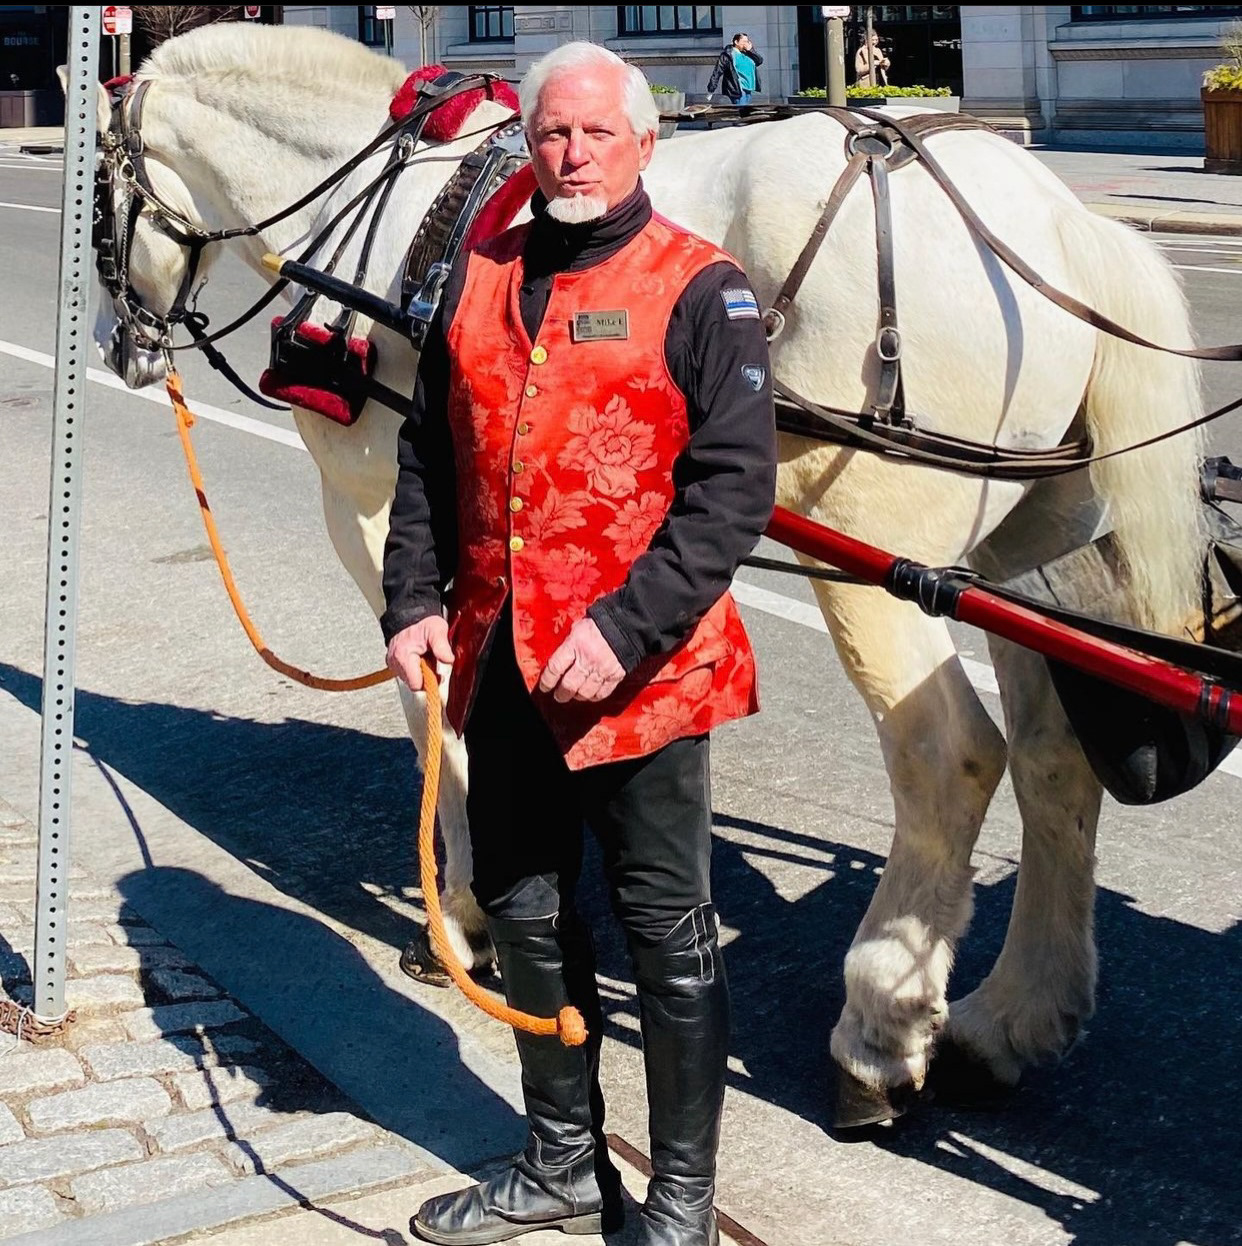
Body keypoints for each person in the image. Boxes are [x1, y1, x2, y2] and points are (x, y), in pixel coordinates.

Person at [381, 39, 776, 1246]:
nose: (573, 153)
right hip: (501, 664)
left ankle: (682, 1202)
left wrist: (623, 627)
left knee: (666, 935)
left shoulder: (702, 288)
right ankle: (559, 1161)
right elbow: (427, 450)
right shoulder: (482, 275)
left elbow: (733, 491)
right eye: (554, 132)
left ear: (645, 144)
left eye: (598, 132)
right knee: (524, 909)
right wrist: (412, 600)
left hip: (641, 683)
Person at [706, 31, 763, 106]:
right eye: (744, 41)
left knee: (746, 111)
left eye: (747, 41)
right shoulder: (728, 55)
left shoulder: (748, 53)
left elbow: (759, 61)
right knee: (742, 110)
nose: (746, 43)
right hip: (737, 88)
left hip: (748, 88)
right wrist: (711, 89)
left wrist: (751, 50)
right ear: (736, 42)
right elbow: (717, 72)